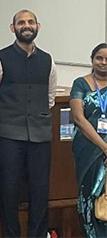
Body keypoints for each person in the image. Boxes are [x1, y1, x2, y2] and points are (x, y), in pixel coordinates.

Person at [0, 9, 57, 238]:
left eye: (30, 22)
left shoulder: (47, 60)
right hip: (7, 137)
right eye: (21, 22)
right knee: (9, 193)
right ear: (12, 28)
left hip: (40, 136)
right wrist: (2, 124)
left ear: (38, 26)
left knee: (39, 193)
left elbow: (50, 99)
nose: (26, 26)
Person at [70, 43, 107, 237]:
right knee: (90, 195)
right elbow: (78, 118)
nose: (103, 63)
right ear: (92, 60)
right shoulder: (80, 83)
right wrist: (104, 147)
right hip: (88, 148)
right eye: (99, 58)